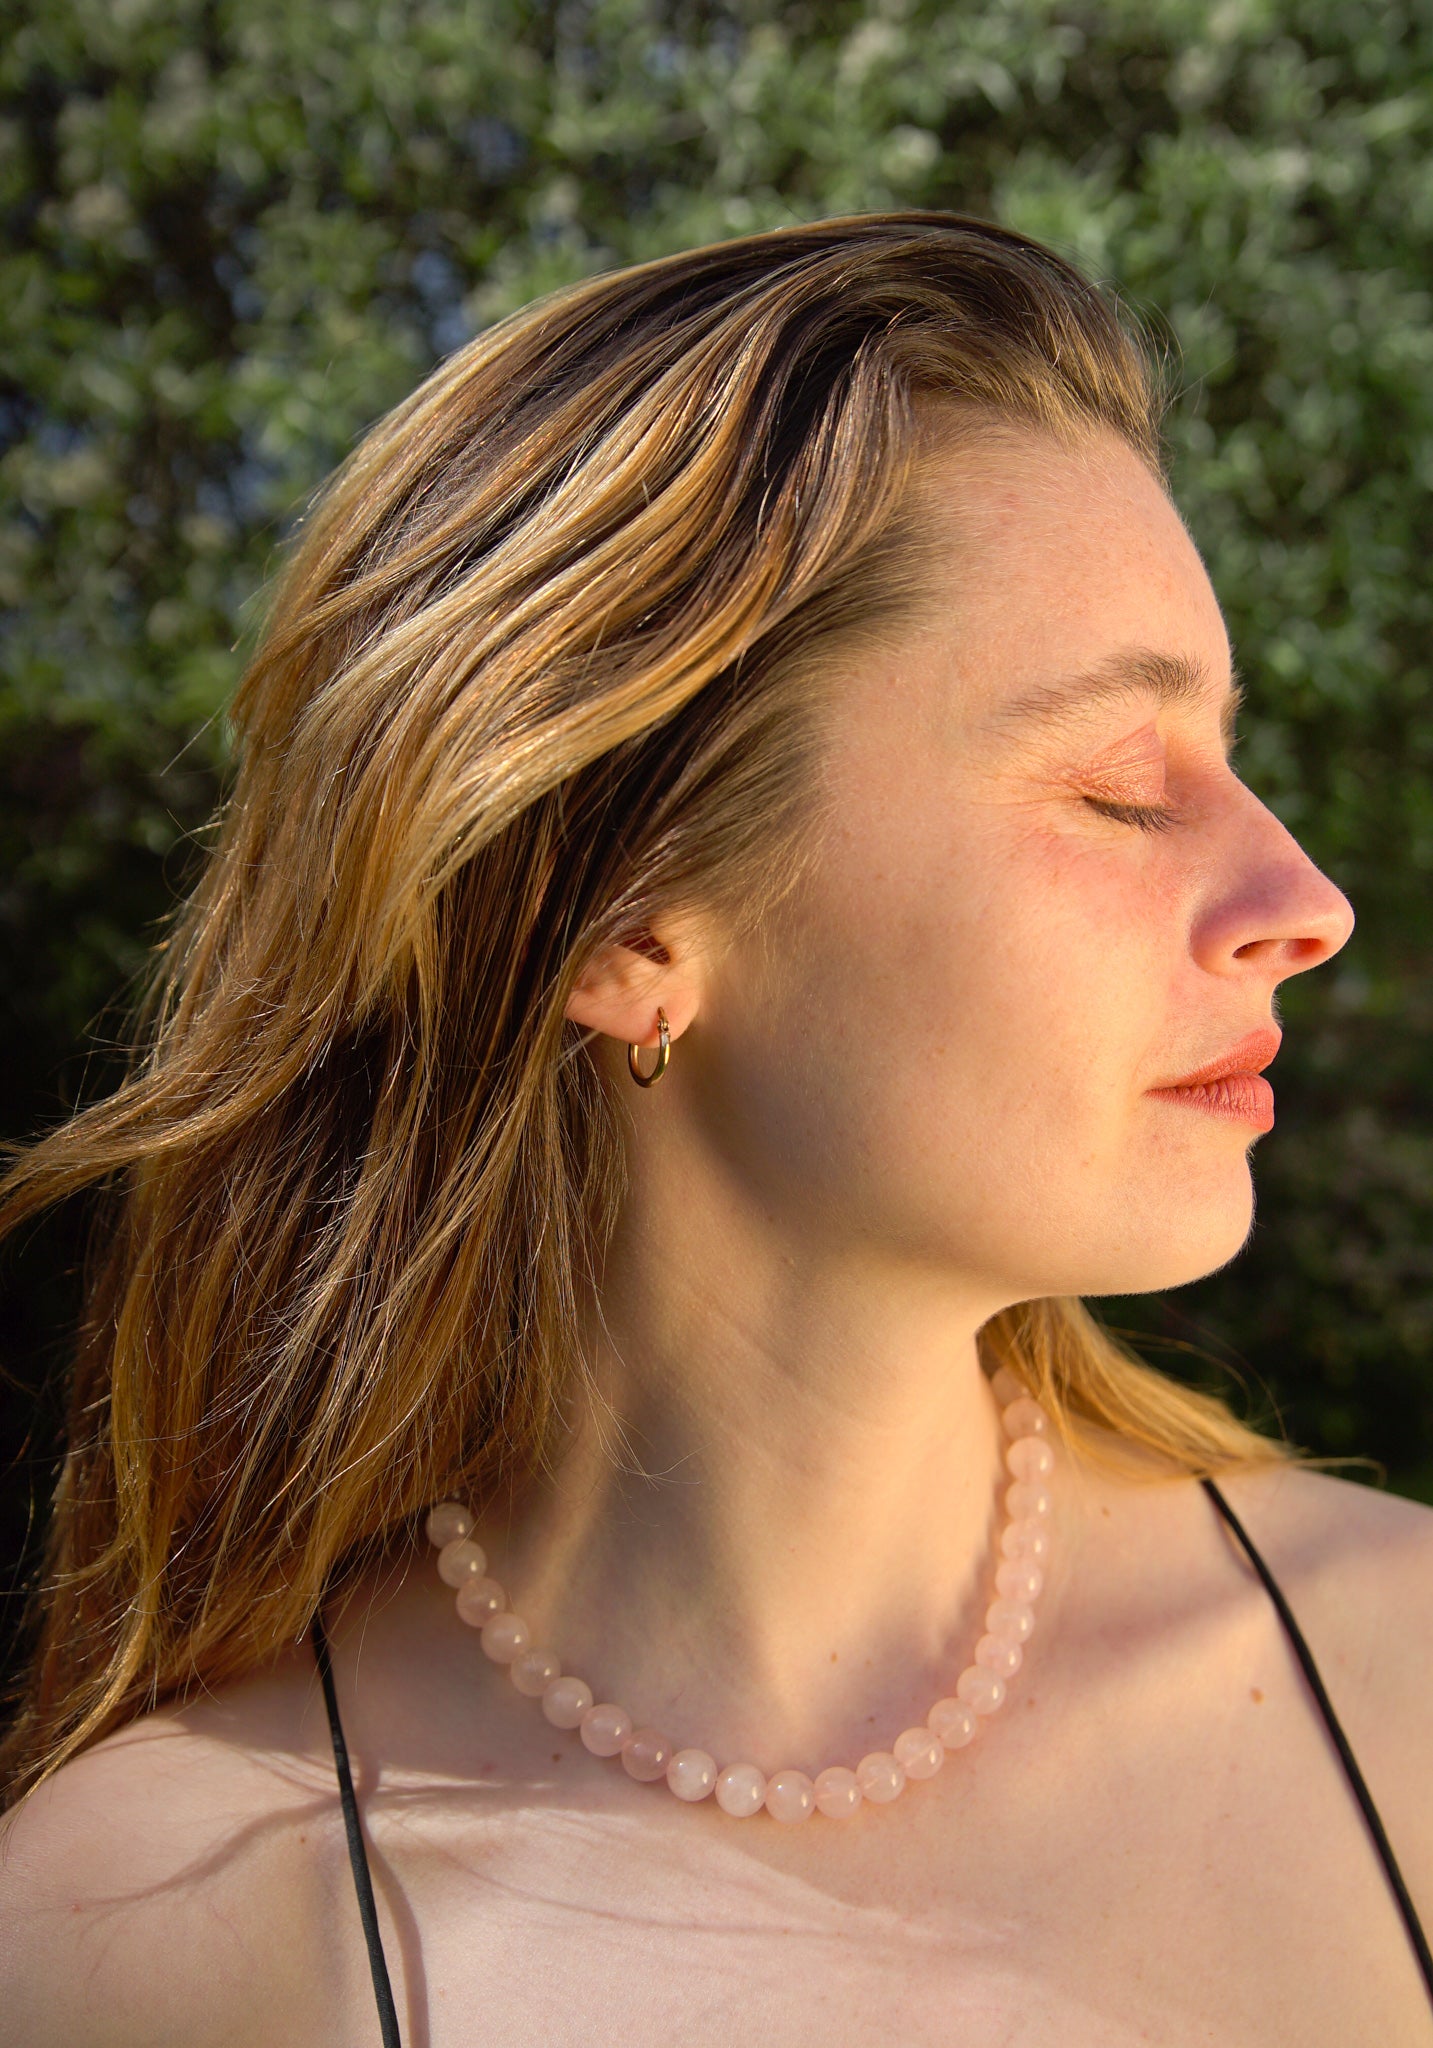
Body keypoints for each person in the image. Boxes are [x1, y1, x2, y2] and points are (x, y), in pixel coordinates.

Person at [0, 212, 1429, 2047]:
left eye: (1236, 760)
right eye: (1117, 785)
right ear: (630, 920)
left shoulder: (1395, 1698)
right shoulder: (145, 1938)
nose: (1300, 896)